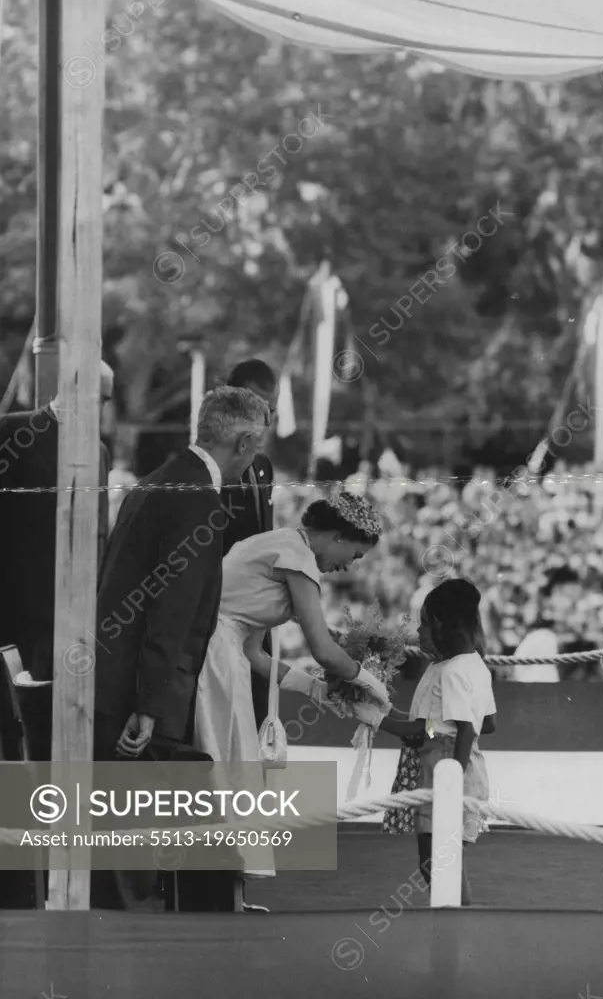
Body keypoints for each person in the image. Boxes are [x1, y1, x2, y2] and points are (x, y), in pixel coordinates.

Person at [91, 386, 271, 910]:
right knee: (128, 855)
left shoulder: (156, 482)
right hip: (141, 695)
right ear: (243, 441)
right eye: (255, 449)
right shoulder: (197, 499)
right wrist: (149, 705)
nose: (255, 461)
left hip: (114, 681)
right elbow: (170, 613)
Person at [194, 491, 391, 907]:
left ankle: (226, 891)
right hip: (214, 654)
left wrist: (319, 690)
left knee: (231, 769)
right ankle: (215, 890)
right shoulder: (295, 554)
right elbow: (322, 648)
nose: (346, 567)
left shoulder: (279, 543)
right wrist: (369, 682)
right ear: (335, 536)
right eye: (352, 555)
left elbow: (255, 655)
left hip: (222, 653)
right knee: (225, 767)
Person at [0, 361, 114, 758]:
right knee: (11, 723)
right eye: (101, 398)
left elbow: (101, 531)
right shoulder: (13, 431)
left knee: (58, 724)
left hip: (72, 619)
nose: (103, 409)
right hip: (15, 610)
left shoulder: (98, 451)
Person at [373, 578, 496, 906]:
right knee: (443, 864)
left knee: (438, 866)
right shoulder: (473, 667)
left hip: (444, 767)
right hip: (461, 766)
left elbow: (453, 731)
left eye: (425, 624)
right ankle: (458, 923)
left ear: (446, 626)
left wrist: (375, 719)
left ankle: (460, 926)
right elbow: (486, 724)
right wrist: (390, 712)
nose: (419, 632)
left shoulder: (450, 671)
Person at [221, 359, 279, 734]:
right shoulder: (213, 471)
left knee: (260, 725)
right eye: (261, 408)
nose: (268, 421)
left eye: (272, 409)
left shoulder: (263, 466)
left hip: (259, 616)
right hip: (222, 618)